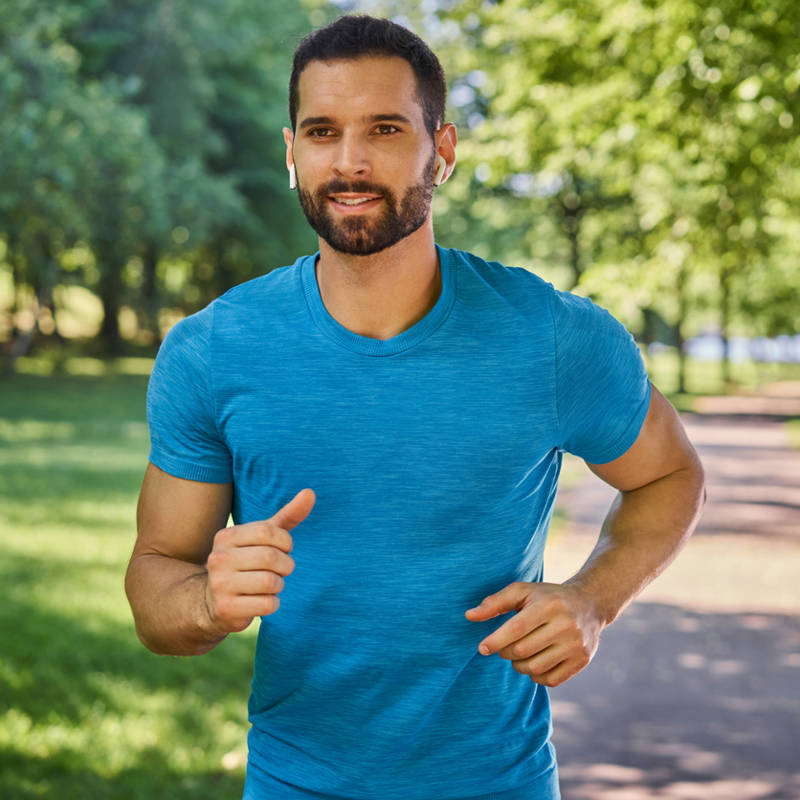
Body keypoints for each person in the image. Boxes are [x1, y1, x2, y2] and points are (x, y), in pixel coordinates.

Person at [125, 14, 705, 800]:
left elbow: (670, 474)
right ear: (292, 153)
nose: (351, 161)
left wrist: (592, 599)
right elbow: (156, 582)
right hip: (296, 782)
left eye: (386, 129)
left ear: (444, 150)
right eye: (322, 132)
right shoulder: (211, 352)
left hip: (499, 782)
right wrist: (206, 601)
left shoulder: (554, 337)